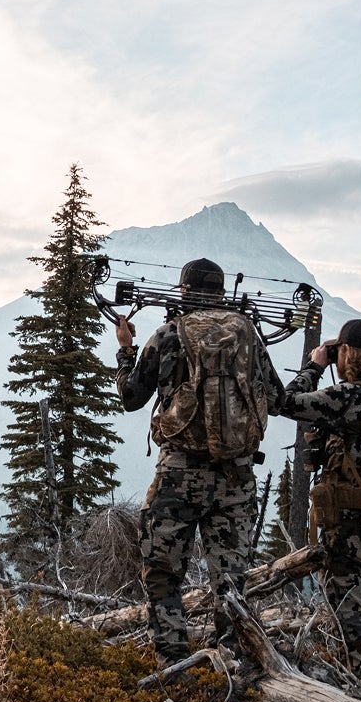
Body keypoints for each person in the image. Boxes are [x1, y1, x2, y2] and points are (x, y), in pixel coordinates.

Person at [115, 258, 282, 663]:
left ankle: (172, 663)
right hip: (237, 477)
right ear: (223, 294)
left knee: (162, 572)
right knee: (230, 578)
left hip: (180, 474)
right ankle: (231, 661)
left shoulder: (169, 334)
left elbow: (131, 398)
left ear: (183, 291)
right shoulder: (249, 336)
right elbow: (276, 399)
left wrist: (125, 350)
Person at [278, 317, 361, 675]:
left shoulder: (350, 396)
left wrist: (314, 366)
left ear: (346, 351)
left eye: (339, 353)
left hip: (350, 515)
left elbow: (286, 401)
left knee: (343, 591)